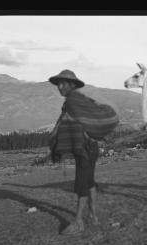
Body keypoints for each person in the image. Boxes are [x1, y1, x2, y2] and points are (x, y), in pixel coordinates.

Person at [48, 69, 118, 235]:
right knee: (89, 182)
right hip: (91, 147)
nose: (60, 87)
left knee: (82, 184)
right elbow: (82, 121)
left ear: (71, 85)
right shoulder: (80, 99)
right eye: (58, 84)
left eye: (63, 83)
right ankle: (93, 215)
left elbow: (83, 120)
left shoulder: (73, 101)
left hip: (85, 149)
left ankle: (79, 222)